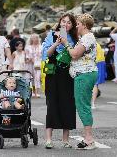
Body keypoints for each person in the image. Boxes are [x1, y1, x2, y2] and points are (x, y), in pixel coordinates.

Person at [61, 13, 98, 150]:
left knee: (83, 106)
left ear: (84, 25)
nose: (76, 26)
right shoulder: (86, 37)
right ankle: (87, 138)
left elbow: (75, 54)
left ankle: (89, 139)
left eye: (78, 24)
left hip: (84, 74)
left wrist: (66, 44)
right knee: (84, 105)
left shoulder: (87, 38)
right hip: (86, 73)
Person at [42, 13, 78, 149]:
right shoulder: (51, 35)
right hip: (53, 73)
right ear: (60, 22)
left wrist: (66, 43)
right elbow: (47, 54)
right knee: (52, 103)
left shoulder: (74, 37)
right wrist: (57, 43)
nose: (65, 24)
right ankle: (49, 139)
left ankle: (65, 140)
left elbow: (75, 55)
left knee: (67, 104)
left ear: (72, 25)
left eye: (69, 22)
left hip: (68, 74)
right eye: (63, 21)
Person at [25, 34, 42, 98]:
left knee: (37, 77)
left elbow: (43, 56)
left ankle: (37, 92)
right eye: (34, 38)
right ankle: (32, 92)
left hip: (38, 64)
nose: (35, 39)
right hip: (30, 64)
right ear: (31, 39)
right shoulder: (28, 47)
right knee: (31, 78)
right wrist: (30, 60)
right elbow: (27, 56)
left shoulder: (41, 46)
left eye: (36, 38)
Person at [92, 42, 106, 109]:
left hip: (95, 63)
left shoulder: (87, 43)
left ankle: (92, 103)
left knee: (94, 84)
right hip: (100, 62)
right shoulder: (96, 43)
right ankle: (93, 104)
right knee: (95, 84)